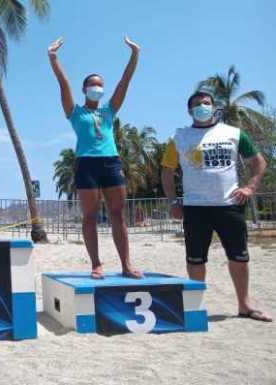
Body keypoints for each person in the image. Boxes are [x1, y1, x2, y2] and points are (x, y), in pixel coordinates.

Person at [161, 89, 272, 322]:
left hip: (229, 205)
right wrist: (173, 201)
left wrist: (250, 187)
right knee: (195, 259)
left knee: (239, 258)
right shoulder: (179, 137)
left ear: (214, 106)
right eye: (198, 104)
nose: (203, 107)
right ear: (190, 111)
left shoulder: (233, 133)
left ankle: (244, 305)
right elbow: (167, 171)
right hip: (195, 207)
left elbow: (258, 162)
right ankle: (195, 307)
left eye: (207, 103)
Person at [47, 35, 142, 279]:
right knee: (89, 216)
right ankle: (96, 264)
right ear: (84, 89)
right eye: (92, 85)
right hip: (86, 163)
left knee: (118, 214)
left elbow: (125, 82)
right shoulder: (74, 111)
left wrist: (134, 55)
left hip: (111, 162)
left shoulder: (109, 109)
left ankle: (126, 264)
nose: (97, 88)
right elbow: (63, 84)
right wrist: (53, 58)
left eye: (100, 85)